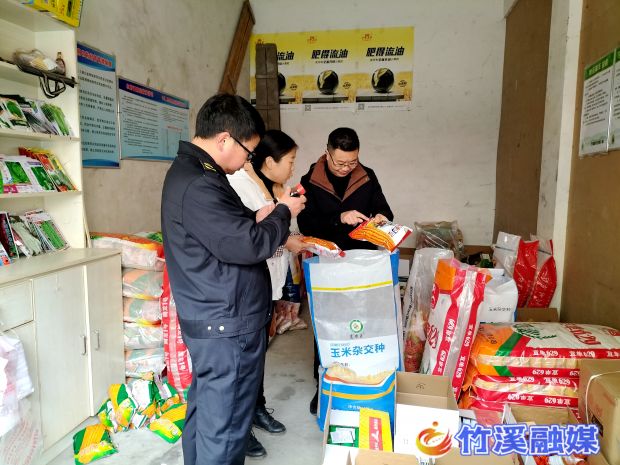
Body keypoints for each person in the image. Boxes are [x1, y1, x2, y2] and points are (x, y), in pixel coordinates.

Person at [161, 94, 306, 465]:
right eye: (247, 151)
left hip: (217, 316)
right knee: (225, 428)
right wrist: (284, 214)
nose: (247, 161)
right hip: (226, 322)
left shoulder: (198, 173)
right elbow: (247, 245)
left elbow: (235, 226)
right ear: (225, 139)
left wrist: (269, 213)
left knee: (208, 415)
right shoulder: (200, 183)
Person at [297, 127, 393, 415]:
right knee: (327, 325)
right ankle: (324, 385)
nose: (346, 168)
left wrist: (381, 218)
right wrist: (339, 217)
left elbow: (386, 210)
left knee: (362, 322)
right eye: (340, 163)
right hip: (328, 264)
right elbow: (305, 224)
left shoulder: (367, 176)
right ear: (327, 154)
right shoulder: (310, 180)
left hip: (363, 262)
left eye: (352, 162)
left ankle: (362, 380)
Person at [227, 129, 307, 457]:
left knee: (258, 355)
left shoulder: (270, 186)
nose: (292, 167)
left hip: (267, 284)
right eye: (290, 161)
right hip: (246, 287)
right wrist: (287, 237)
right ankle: (240, 427)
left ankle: (256, 408)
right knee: (242, 362)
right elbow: (252, 235)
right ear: (270, 161)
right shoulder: (239, 184)